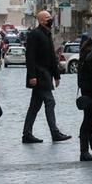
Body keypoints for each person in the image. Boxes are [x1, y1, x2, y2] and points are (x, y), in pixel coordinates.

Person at [22, 10, 71, 144]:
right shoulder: (35, 34)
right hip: (39, 75)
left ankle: (27, 134)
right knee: (50, 102)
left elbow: (51, 57)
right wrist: (32, 76)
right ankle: (54, 133)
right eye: (48, 18)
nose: (50, 19)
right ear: (41, 20)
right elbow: (30, 57)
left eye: (50, 17)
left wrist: (57, 76)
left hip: (46, 75)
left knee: (34, 106)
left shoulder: (48, 33)